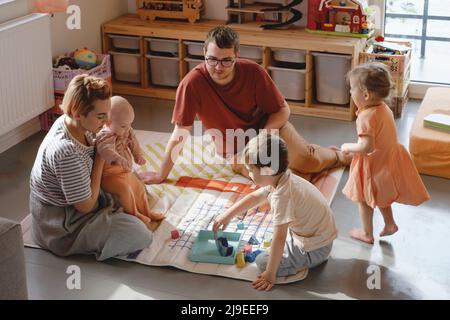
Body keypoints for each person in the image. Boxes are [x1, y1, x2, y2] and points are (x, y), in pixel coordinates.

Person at [141, 25, 351, 185]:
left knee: (309, 163)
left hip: (269, 131)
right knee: (283, 179)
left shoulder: (253, 72)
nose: (218, 67)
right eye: (211, 59)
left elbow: (282, 110)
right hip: (237, 149)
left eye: (226, 61)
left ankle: (338, 155)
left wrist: (263, 136)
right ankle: (312, 153)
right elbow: (181, 132)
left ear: (236, 55)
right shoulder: (192, 84)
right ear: (203, 53)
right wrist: (162, 174)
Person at [29, 75, 152, 261]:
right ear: (78, 113)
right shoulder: (66, 152)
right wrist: (101, 159)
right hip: (63, 223)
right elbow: (85, 206)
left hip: (80, 197)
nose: (106, 122)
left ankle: (117, 208)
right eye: (101, 117)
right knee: (139, 234)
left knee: (134, 184)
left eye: (107, 114)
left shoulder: (75, 122)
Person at [213, 133, 338, 291]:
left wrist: (270, 273)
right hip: (316, 236)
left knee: (262, 261)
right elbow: (255, 197)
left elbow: (280, 237)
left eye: (250, 170)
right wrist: (228, 215)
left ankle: (299, 265)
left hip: (316, 248)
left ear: (267, 170)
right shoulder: (281, 177)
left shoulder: (283, 196)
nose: (248, 174)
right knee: (269, 243)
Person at [341, 62, 430, 244]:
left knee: (364, 199)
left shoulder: (366, 117)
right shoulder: (384, 108)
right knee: (381, 194)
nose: (350, 93)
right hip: (387, 160)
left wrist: (348, 147)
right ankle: (390, 224)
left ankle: (366, 233)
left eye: (352, 89)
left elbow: (367, 147)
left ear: (365, 95)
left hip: (373, 165)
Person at [96, 96, 164, 227]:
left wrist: (137, 155)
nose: (128, 129)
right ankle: (134, 214)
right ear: (108, 122)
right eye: (123, 126)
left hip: (124, 171)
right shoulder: (105, 135)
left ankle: (146, 211)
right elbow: (105, 150)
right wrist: (118, 158)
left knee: (138, 185)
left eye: (130, 124)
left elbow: (134, 142)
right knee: (124, 189)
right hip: (108, 176)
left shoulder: (126, 129)